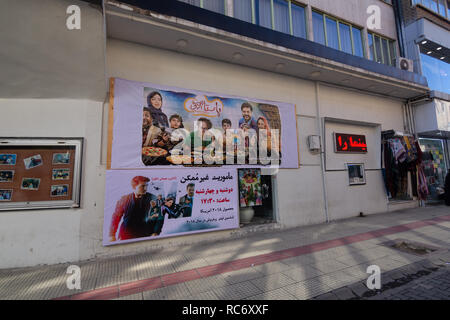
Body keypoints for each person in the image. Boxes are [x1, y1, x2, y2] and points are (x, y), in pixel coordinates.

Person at [109, 176, 154, 241]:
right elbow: (116, 217)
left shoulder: (151, 198)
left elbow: (158, 216)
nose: (145, 188)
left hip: (145, 234)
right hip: (126, 234)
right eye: (142, 186)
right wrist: (112, 235)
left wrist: (155, 231)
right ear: (134, 187)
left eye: (146, 186)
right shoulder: (124, 199)